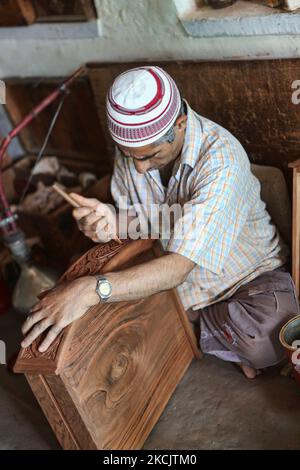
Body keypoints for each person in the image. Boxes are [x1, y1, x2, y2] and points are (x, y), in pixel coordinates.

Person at [21, 66, 299, 379]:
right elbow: (150, 222)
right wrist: (111, 222)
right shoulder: (134, 150)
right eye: (130, 155)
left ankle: (198, 327)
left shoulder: (221, 160)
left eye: (151, 156)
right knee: (118, 330)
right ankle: (207, 330)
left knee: (270, 339)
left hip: (248, 279)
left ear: (180, 125)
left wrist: (90, 290)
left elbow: (178, 266)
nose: (139, 168)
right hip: (185, 287)